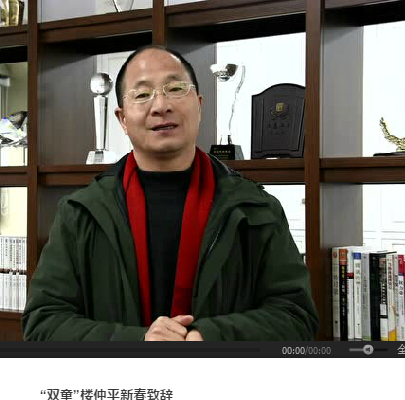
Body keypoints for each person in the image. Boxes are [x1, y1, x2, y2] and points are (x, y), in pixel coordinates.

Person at [22, 45, 318, 341]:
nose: (160, 105)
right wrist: (138, 342)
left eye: (175, 89)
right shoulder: (81, 213)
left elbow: (295, 316)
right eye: (142, 94)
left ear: (199, 105)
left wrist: (209, 337)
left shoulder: (255, 209)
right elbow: (43, 323)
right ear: (122, 119)